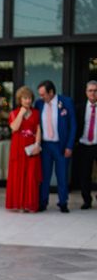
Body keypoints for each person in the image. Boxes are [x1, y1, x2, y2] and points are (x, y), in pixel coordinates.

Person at [34, 80, 77, 213]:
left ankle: (63, 202)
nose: (41, 97)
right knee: (44, 176)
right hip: (45, 146)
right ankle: (43, 202)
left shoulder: (66, 102)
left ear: (51, 92)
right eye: (40, 94)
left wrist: (69, 146)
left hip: (61, 146)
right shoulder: (39, 104)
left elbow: (73, 126)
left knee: (62, 175)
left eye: (43, 94)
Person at [5, 86, 42, 213]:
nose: (27, 101)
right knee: (18, 174)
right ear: (19, 99)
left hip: (31, 147)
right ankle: (18, 204)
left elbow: (38, 129)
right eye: (25, 98)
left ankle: (29, 204)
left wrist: (37, 144)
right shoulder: (14, 113)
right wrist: (21, 113)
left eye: (29, 98)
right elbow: (14, 128)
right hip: (18, 147)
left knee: (31, 175)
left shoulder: (36, 113)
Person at [76, 80, 97, 209]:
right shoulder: (79, 107)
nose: (93, 93)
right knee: (85, 174)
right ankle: (87, 200)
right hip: (84, 144)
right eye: (90, 90)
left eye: (95, 90)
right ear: (86, 92)